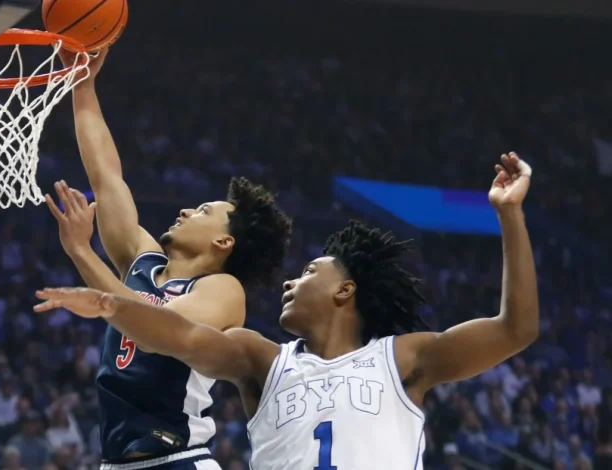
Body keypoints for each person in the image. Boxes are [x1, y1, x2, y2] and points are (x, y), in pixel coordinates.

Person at [36, 153, 539, 469]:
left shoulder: (402, 359)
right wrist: (110, 300)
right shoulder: (261, 359)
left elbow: (516, 329)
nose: (289, 281)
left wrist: (510, 216)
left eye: (309, 271)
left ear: (345, 290)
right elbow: (178, 336)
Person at [48, 48, 292, 469]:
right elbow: (106, 176)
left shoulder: (222, 289)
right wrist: (82, 85)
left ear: (224, 242)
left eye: (203, 212)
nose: (185, 210)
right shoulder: (142, 261)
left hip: (179, 458)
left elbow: (154, 330)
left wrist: (82, 253)